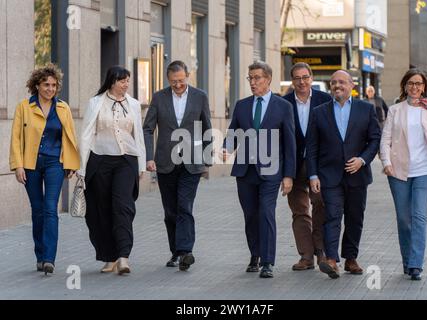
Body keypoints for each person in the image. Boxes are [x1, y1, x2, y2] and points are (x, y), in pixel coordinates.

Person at [223, 61, 296, 278]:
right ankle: (254, 255)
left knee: (266, 213)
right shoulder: (242, 105)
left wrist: (288, 175)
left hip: (271, 171)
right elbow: (233, 132)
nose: (253, 82)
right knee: (250, 215)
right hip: (245, 171)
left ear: (268, 79)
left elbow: (290, 144)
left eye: (257, 78)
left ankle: (267, 262)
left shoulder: (283, 106)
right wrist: (226, 148)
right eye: (250, 78)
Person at [307, 70, 381, 279]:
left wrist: (362, 159)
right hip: (329, 175)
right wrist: (313, 175)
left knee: (355, 217)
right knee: (332, 216)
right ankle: (331, 259)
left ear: (351, 85)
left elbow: (374, 139)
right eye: (333, 82)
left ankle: (350, 258)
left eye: (341, 82)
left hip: (357, 175)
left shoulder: (366, 109)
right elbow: (312, 147)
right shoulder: (319, 112)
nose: (336, 85)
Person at [9, 64, 80, 275]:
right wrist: (18, 165)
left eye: (54, 85)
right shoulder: (24, 107)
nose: (50, 89)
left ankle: (49, 258)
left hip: (54, 164)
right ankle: (39, 255)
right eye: (46, 84)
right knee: (37, 211)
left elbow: (70, 137)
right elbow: (16, 138)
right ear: (37, 85)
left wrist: (70, 164)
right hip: (30, 164)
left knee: (50, 209)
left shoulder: (63, 108)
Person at [143, 60, 212, 271]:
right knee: (170, 211)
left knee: (185, 206)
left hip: (192, 163)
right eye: (174, 82)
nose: (178, 85)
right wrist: (148, 157)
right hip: (166, 162)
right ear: (168, 80)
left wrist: (207, 158)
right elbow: (148, 128)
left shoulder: (200, 96)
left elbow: (206, 127)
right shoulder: (159, 97)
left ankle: (185, 251)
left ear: (187, 76)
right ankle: (175, 252)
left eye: (181, 81)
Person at [380, 69, 427, 281]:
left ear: (424, 87)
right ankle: (407, 261)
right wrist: (386, 162)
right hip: (398, 170)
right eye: (411, 83)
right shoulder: (395, 110)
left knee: (419, 216)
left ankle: (416, 265)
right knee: (404, 219)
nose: (415, 87)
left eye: (419, 84)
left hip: (426, 171)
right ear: (405, 86)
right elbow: (385, 139)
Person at [78, 66, 146, 275]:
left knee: (123, 206)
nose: (126, 84)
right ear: (112, 81)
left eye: (128, 80)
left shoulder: (133, 104)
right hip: (99, 159)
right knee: (101, 210)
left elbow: (138, 135)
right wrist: (82, 168)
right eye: (122, 80)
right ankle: (109, 257)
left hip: (126, 160)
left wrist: (141, 164)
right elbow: (87, 134)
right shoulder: (96, 102)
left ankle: (123, 256)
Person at [282, 63, 332, 271]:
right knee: (299, 211)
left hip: (318, 166)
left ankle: (320, 250)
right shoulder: (283, 103)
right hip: (292, 167)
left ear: (311, 78)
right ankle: (306, 256)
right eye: (296, 78)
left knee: (320, 205)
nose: (301, 82)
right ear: (292, 80)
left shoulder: (325, 100)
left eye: (305, 77)